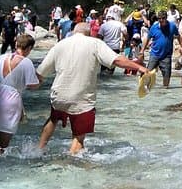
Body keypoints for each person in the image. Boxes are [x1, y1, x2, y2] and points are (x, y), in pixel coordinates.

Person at [36, 23, 137, 155]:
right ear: (89, 33)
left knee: (53, 119)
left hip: (59, 95)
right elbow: (116, 60)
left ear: (73, 31)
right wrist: (140, 68)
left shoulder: (60, 45)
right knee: (79, 135)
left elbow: (40, 73)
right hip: (81, 99)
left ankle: (38, 149)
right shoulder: (95, 43)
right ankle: (71, 159)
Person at [0, 33, 39, 155]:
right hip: (10, 103)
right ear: (29, 48)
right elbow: (33, 85)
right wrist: (40, 80)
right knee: (3, 145)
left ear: (16, 44)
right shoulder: (26, 62)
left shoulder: (1, 58)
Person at [142, 10, 182, 89]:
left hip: (166, 55)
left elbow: (178, 36)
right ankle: (145, 87)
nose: (161, 20)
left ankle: (165, 89)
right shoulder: (154, 27)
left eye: (163, 18)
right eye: (159, 18)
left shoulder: (172, 26)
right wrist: (142, 51)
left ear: (166, 18)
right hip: (154, 54)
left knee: (167, 74)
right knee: (148, 72)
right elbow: (147, 39)